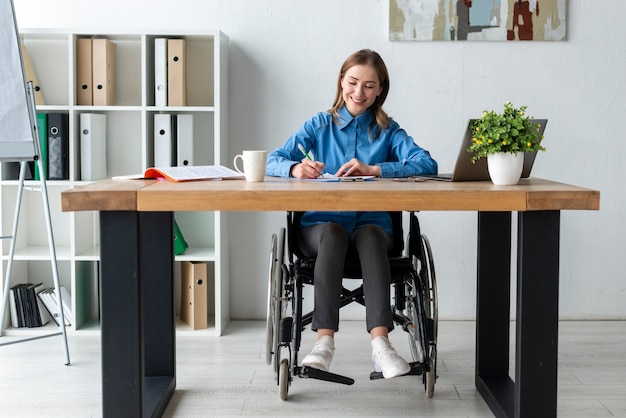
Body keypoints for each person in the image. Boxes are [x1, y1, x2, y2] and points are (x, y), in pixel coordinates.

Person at [266, 49, 437, 378]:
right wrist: (295, 167)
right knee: (333, 232)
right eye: (353, 82)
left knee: (371, 233)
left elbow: (427, 163)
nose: (359, 93)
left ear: (380, 90)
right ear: (341, 82)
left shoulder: (388, 131)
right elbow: (275, 158)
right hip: (320, 227)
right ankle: (323, 344)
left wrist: (376, 169)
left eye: (369, 86)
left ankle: (381, 346)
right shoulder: (319, 125)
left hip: (371, 227)